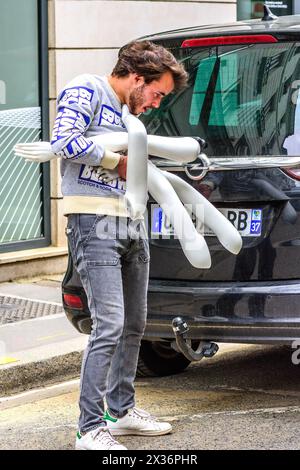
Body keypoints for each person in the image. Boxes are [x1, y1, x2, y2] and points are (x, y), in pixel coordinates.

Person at [50, 40, 188, 450]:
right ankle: (89, 429)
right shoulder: (86, 88)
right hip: (93, 221)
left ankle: (121, 411)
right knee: (108, 325)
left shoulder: (130, 115)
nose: (156, 103)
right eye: (157, 93)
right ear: (136, 78)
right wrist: (117, 162)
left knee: (134, 325)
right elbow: (63, 140)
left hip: (132, 222)